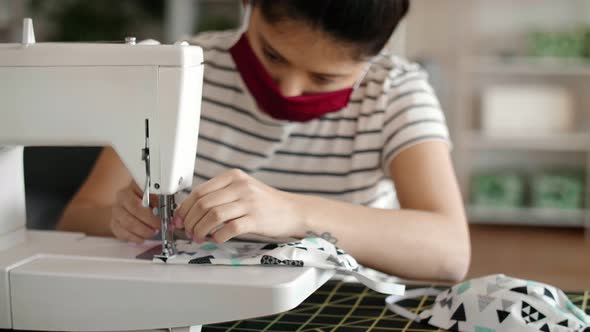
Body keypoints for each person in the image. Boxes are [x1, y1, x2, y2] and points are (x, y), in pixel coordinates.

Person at [57, 0, 470, 282]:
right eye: (273, 55)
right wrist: (120, 220)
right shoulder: (177, 72)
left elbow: (450, 253)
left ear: (375, 55)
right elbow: (76, 220)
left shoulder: (394, 92)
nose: (289, 91)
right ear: (247, 5)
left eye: (324, 78)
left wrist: (296, 212)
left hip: (339, 305)